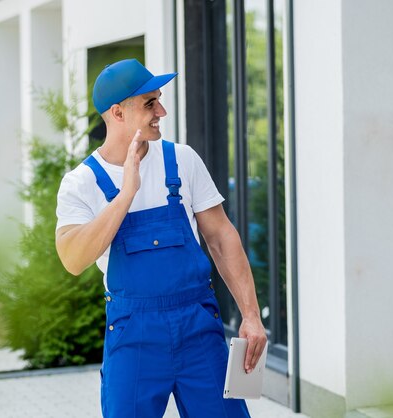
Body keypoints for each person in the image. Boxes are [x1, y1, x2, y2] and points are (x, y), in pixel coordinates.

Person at [55, 58, 267, 418]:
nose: (162, 111)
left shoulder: (182, 160)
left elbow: (220, 237)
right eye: (150, 103)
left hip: (197, 325)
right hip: (132, 333)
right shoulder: (81, 183)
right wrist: (125, 194)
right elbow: (73, 260)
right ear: (118, 113)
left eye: (159, 99)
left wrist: (251, 314)